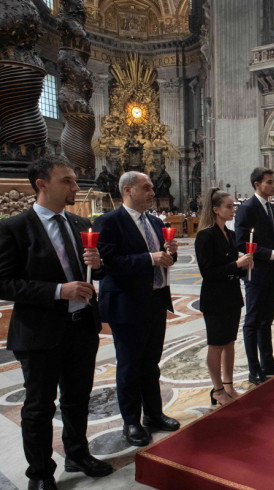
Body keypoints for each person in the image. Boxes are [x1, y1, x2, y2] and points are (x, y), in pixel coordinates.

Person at [0, 155, 112, 489]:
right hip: (40, 333)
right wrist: (58, 291)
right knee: (39, 407)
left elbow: (96, 273)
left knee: (78, 398)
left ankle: (78, 453)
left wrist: (99, 263)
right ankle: (40, 474)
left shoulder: (80, 226)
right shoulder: (15, 228)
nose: (76, 186)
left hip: (81, 327)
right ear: (41, 184)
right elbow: (4, 282)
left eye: (75, 180)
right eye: (68, 181)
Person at [94, 171, 180, 447]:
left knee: (150, 363)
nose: (153, 192)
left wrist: (170, 254)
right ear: (128, 190)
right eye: (147, 188)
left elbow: (162, 259)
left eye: (153, 188)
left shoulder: (155, 222)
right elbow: (110, 264)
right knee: (130, 365)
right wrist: (150, 258)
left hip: (155, 300)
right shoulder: (108, 222)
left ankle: (153, 415)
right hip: (126, 303)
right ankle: (131, 421)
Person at [195, 188, 253, 406]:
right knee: (216, 344)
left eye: (233, 207)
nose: (233, 210)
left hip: (231, 294)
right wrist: (236, 264)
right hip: (214, 296)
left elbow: (233, 268)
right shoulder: (205, 235)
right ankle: (217, 389)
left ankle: (228, 384)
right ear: (216, 209)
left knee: (230, 342)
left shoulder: (229, 234)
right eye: (229, 206)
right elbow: (208, 272)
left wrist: (244, 266)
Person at [234, 168, 274, 385]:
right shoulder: (247, 208)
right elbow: (241, 242)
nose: (273, 186)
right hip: (256, 272)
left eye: (273, 181)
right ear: (257, 184)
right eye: (269, 182)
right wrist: (271, 253)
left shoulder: (272, 207)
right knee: (253, 321)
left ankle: (268, 363)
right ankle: (253, 369)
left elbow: (272, 239)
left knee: (267, 320)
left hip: (272, 272)